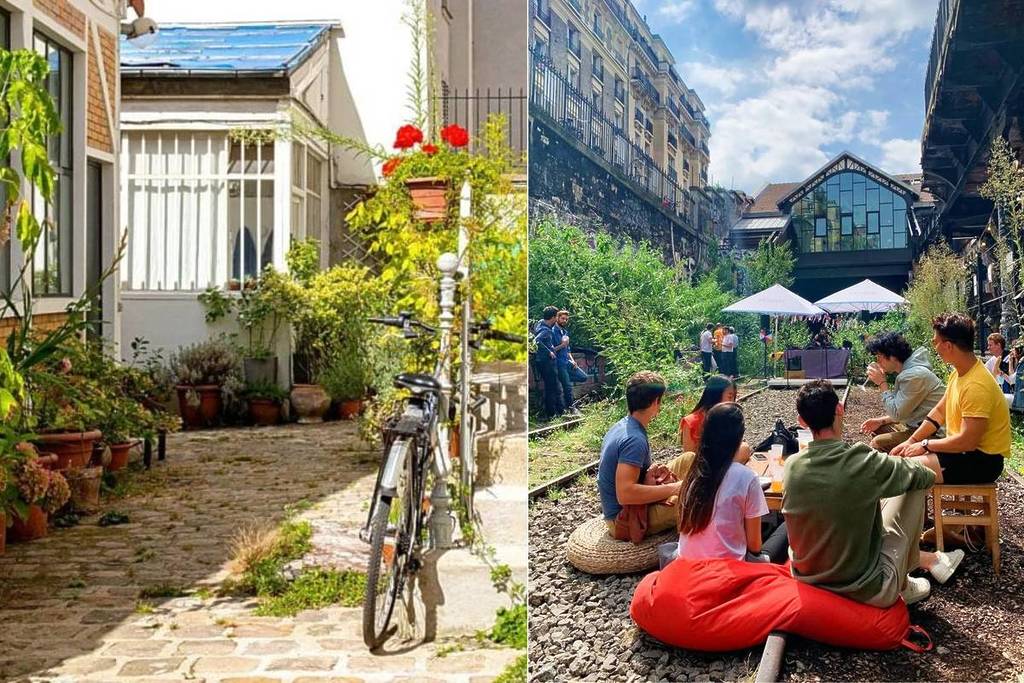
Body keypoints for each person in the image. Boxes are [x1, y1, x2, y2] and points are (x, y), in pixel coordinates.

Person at [784, 380, 963, 608]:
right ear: (840, 409)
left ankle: (923, 564)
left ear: (802, 421)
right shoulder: (864, 462)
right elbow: (924, 475)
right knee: (912, 484)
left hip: (808, 579)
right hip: (867, 590)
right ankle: (903, 586)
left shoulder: (792, 465)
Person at [891, 313, 1010, 488]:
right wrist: (911, 441)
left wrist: (925, 445)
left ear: (948, 346)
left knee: (902, 471)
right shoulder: (959, 372)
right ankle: (917, 516)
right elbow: (939, 412)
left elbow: (967, 442)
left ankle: (906, 516)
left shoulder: (977, 385)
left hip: (981, 462)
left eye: (935, 341)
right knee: (903, 461)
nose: (933, 345)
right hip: (961, 453)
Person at [677, 402, 789, 563]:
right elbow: (755, 546)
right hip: (727, 569)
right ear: (740, 437)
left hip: (687, 563)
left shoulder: (694, 473)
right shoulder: (746, 477)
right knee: (786, 526)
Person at [598, 371, 696, 539]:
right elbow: (625, 494)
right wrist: (675, 488)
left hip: (630, 508)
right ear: (654, 402)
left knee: (689, 459)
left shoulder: (623, 425)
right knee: (695, 499)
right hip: (624, 519)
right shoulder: (634, 440)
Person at [860, 332, 945, 453]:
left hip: (935, 434)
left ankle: (899, 467)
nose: (877, 361)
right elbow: (905, 410)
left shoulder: (914, 376)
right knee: (880, 427)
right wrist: (881, 421)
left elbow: (897, 414)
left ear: (893, 356)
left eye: (879, 356)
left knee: (877, 443)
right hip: (919, 425)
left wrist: (882, 383)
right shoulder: (909, 371)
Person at [680, 375, 738, 454]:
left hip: (725, 462)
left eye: (733, 398)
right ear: (716, 394)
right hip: (702, 464)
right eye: (730, 397)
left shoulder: (730, 418)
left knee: (744, 448)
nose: (733, 403)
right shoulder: (691, 422)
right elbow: (689, 457)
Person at [532, 306, 563, 419]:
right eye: (557, 316)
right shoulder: (545, 330)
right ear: (553, 317)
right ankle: (552, 413)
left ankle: (555, 412)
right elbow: (537, 341)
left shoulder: (540, 323)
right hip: (546, 363)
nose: (557, 320)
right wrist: (549, 351)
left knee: (551, 387)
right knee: (552, 387)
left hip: (541, 362)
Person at [552, 310, 576, 415]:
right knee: (567, 386)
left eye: (566, 319)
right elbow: (551, 350)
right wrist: (562, 345)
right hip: (559, 363)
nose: (565, 321)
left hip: (567, 362)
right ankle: (572, 409)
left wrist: (573, 360)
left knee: (583, 377)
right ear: (557, 318)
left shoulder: (565, 332)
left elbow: (568, 350)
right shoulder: (552, 331)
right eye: (562, 318)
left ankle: (568, 408)